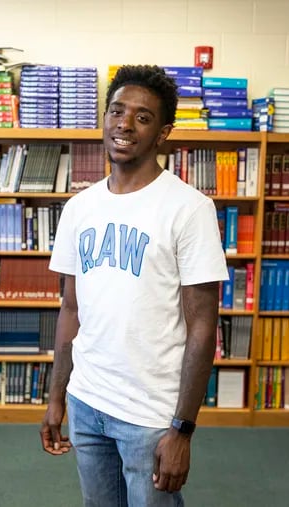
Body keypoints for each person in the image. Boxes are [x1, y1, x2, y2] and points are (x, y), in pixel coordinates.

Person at [39, 64, 229, 507]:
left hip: (150, 416)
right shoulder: (79, 208)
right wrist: (56, 398)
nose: (124, 124)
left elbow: (203, 326)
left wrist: (183, 428)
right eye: (117, 111)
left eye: (142, 117)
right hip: (87, 401)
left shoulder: (188, 209)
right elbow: (71, 310)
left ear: (163, 133)